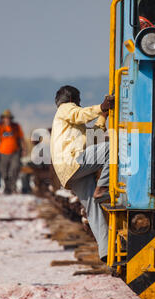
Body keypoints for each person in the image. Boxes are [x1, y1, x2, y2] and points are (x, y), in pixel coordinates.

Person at [50, 85, 114, 262]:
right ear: (72, 100)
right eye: (78, 101)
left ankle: (105, 252)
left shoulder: (73, 126)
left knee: (93, 209)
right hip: (73, 162)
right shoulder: (65, 109)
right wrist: (101, 107)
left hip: (69, 172)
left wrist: (103, 117)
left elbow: (95, 137)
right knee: (113, 149)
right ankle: (103, 187)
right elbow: (80, 114)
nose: (79, 105)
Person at [0, 110, 26, 195]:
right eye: (5, 118)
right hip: (2, 153)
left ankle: (13, 187)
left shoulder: (16, 126)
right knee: (4, 172)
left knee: (15, 169)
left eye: (9, 118)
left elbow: (21, 138)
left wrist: (24, 149)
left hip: (15, 152)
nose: (7, 120)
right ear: (3, 118)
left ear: (11, 119)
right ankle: (7, 188)